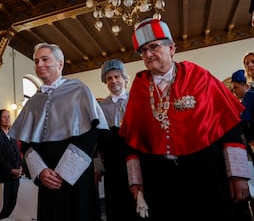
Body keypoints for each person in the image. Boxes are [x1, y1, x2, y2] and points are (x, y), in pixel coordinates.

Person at [119, 18, 252, 220]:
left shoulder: (199, 77)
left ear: (172, 48)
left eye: (154, 46)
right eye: (143, 50)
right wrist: (135, 182)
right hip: (160, 179)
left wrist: (238, 175)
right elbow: (132, 140)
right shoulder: (138, 86)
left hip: (204, 172)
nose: (148, 54)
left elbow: (229, 127)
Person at [9, 43, 109, 221]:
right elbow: (26, 144)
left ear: (60, 63)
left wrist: (63, 172)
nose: (39, 64)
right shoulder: (32, 102)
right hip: (47, 178)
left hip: (75, 177)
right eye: (36, 61)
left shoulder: (79, 90)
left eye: (45, 59)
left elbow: (92, 134)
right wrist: (41, 171)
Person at [96, 59, 140, 221]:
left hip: (136, 160)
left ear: (124, 79)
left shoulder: (137, 100)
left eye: (117, 77)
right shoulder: (100, 107)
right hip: (113, 164)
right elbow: (98, 141)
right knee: (117, 206)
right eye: (109, 78)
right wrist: (98, 167)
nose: (114, 81)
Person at [0, 109, 22, 221]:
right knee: (1, 209)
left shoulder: (12, 136)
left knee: (11, 207)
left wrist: (20, 168)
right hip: (2, 178)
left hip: (14, 179)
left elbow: (18, 155)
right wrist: (11, 170)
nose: (8, 119)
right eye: (4, 117)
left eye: (9, 116)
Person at [231, 69, 254, 161]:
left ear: (246, 86)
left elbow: (248, 122)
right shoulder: (245, 99)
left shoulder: (250, 96)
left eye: (236, 87)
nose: (234, 92)